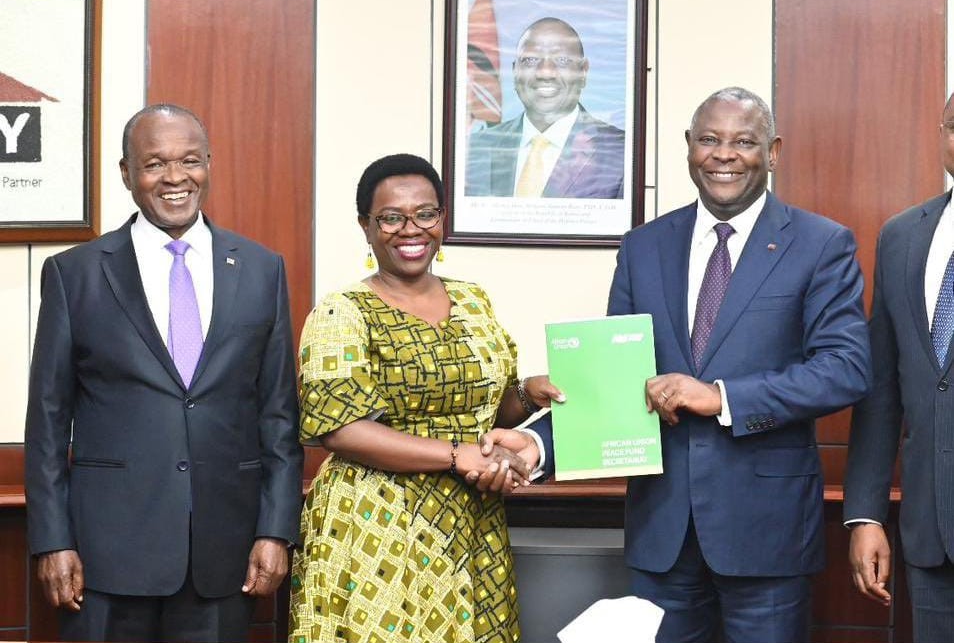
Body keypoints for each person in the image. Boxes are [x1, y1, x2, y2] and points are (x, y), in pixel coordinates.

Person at [473, 88, 872, 643]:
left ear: (773, 151)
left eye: (744, 141)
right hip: (662, 530)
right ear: (689, 147)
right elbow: (614, 379)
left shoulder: (820, 243)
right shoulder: (644, 246)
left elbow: (846, 367)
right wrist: (538, 445)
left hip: (766, 532)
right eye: (709, 139)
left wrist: (722, 396)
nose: (724, 154)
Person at [24, 104, 303, 643]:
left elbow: (278, 417)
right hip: (104, 560)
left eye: (190, 161)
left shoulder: (261, 269)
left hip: (223, 557)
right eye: (154, 164)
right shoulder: (74, 274)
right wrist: (53, 541)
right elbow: (48, 424)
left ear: (209, 165)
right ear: (127, 173)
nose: (175, 178)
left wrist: (275, 530)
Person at [288, 153, 562, 643]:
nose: (410, 229)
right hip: (376, 526)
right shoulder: (342, 311)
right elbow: (341, 429)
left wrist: (527, 394)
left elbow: (486, 410)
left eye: (425, 214)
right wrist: (457, 456)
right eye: (391, 217)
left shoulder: (474, 300)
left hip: (472, 520)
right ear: (366, 227)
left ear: (442, 220)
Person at [844, 92, 954, 642]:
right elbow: (882, 392)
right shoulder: (903, 236)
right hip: (932, 536)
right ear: (941, 134)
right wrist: (865, 515)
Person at [464, 17, 625, 199]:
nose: (545, 72)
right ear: (515, 70)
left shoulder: (620, 153)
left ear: (583, 72)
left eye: (562, 60)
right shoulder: (475, 149)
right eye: (531, 60)